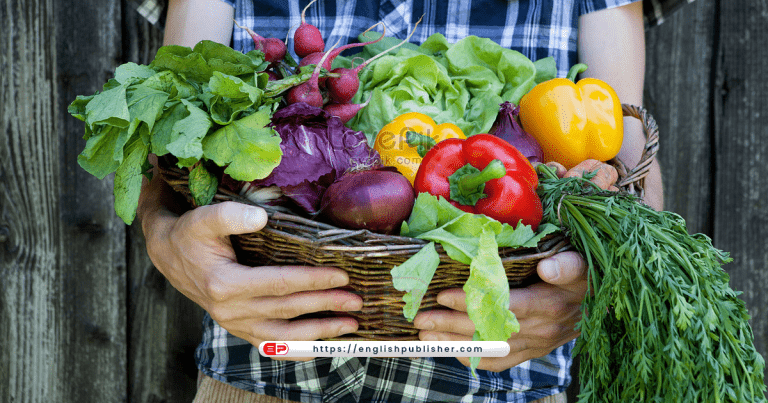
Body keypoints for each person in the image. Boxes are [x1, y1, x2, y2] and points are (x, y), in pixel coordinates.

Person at [137, 0, 665, 402]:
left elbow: (629, 167)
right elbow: (171, 137)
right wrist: (165, 239)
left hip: (500, 386)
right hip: (258, 379)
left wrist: (586, 289)